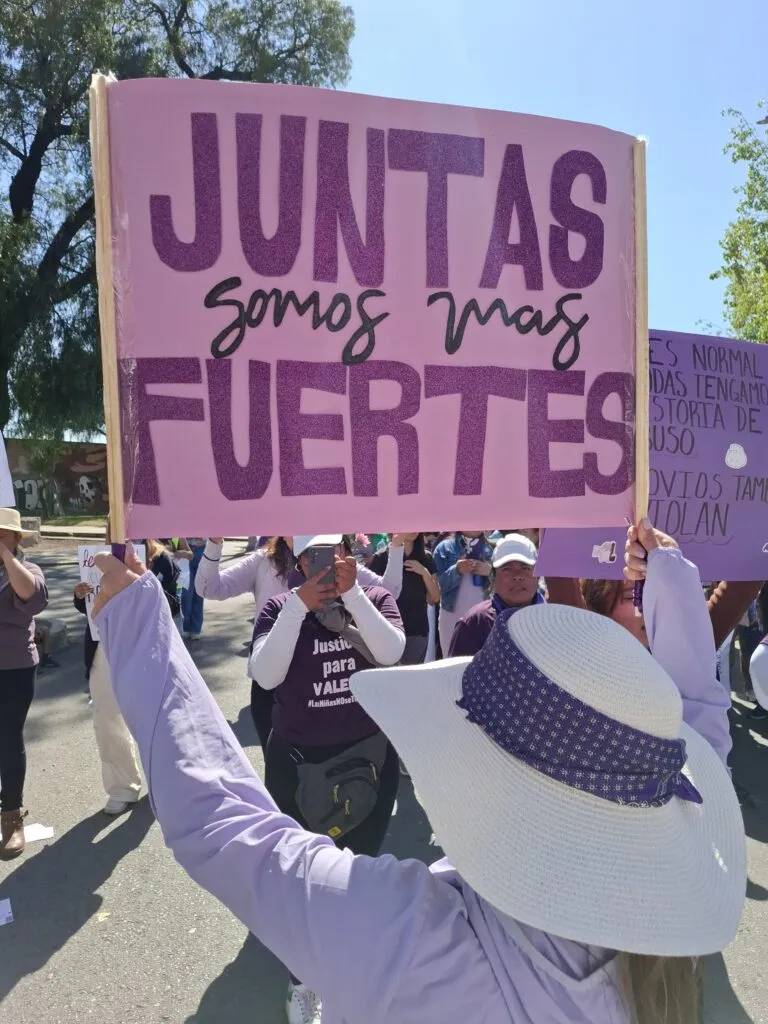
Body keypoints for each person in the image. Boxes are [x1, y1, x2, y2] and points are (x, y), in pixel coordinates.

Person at [93, 523, 745, 1024]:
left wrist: (136, 623)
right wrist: (670, 578)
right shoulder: (670, 935)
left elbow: (224, 827)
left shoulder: (420, 939)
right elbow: (700, 722)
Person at [248, 533, 405, 1023]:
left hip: (368, 764)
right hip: (297, 767)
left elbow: (392, 653)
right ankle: (303, 980)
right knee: (303, 881)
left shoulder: (373, 597)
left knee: (357, 872)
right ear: (297, 561)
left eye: (337, 551)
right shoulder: (278, 608)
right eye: (315, 556)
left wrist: (354, 595)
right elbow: (266, 676)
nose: (329, 562)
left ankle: (345, 967)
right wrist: (297, 609)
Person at [196, 535, 405, 749]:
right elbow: (208, 588)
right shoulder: (264, 566)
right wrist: (214, 543)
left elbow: (390, 646)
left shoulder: (351, 576)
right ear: (300, 563)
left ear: (345, 550)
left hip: (366, 741)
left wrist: (353, 592)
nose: (325, 557)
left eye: (333, 548)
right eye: (311, 554)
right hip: (287, 713)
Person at [0, 508, 49, 857]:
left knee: (7, 738)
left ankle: (11, 816)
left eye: (2, 535)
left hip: (13, 669)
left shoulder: (26, 569)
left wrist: (5, 557)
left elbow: (32, 598)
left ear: (17, 539)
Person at [74, 581, 142, 815]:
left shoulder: (160, 561)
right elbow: (89, 610)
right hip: (101, 649)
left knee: (154, 721)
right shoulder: (97, 560)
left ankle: (166, 784)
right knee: (107, 720)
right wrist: (81, 595)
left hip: (143, 648)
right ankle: (123, 787)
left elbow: (174, 605)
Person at [449, 533, 544, 657]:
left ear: (537, 575)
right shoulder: (475, 623)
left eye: (525, 568)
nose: (517, 576)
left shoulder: (554, 621)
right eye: (507, 569)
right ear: (494, 575)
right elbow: (455, 675)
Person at [369, 533, 438, 665]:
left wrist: (424, 572)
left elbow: (434, 597)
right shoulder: (381, 557)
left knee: (412, 680)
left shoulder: (426, 557)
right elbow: (372, 595)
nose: (413, 530)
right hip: (388, 631)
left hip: (417, 631)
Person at [433, 531, 493, 658]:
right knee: (449, 665)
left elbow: (503, 586)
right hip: (451, 616)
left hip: (485, 618)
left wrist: (490, 572)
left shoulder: (494, 548)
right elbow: (437, 587)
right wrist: (457, 570)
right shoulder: (444, 548)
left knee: (484, 663)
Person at [181, 537, 206, 640]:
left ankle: (195, 628)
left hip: (203, 550)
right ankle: (185, 626)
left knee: (199, 592)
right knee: (185, 592)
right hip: (185, 550)